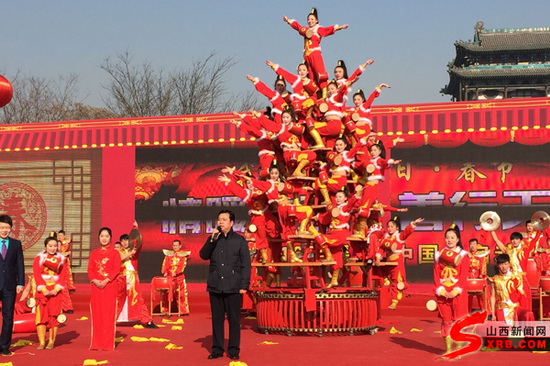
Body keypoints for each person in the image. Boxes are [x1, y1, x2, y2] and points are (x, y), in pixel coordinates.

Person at [199, 210, 251, 360]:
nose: (220, 222)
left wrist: (244, 285)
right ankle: (217, 349)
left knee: (234, 320)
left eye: (224, 219)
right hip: (216, 285)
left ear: (231, 223)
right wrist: (212, 240)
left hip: (233, 286)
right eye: (219, 219)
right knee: (217, 319)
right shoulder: (214, 239)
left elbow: (245, 265)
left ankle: (233, 350)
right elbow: (203, 255)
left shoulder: (239, 241)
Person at [433, 225, 469, 355]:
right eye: (447, 238)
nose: (449, 240)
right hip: (443, 292)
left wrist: (454, 291)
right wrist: (442, 291)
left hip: (458, 292)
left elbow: (464, 276)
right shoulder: (439, 255)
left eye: (452, 238)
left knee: (458, 320)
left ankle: (458, 349)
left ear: (457, 239)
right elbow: (436, 275)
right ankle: (448, 350)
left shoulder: (463, 255)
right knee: (446, 321)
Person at [87, 227, 121, 351]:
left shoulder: (115, 253)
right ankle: (96, 343)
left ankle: (107, 344)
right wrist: (95, 280)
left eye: (106, 236)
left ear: (110, 238)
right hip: (96, 287)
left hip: (109, 286)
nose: (104, 238)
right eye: (102, 236)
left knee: (108, 314)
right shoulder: (94, 253)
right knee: (97, 314)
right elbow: (90, 269)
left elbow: (116, 269)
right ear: (98, 237)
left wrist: (106, 280)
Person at [116, 234, 158, 328]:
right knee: (117, 299)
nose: (124, 242)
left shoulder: (134, 251)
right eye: (122, 241)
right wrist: (129, 254)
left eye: (126, 240)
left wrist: (136, 229)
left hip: (132, 280)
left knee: (138, 299)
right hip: (121, 279)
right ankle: (110, 320)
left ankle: (147, 321)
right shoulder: (118, 252)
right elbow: (119, 259)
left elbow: (138, 242)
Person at [33, 236, 67, 350]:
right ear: (45, 246)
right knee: (41, 316)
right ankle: (42, 341)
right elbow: (36, 274)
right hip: (43, 291)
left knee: (54, 315)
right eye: (50, 246)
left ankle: (51, 341)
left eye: (54, 246)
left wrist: (55, 289)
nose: (52, 248)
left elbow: (63, 275)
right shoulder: (39, 258)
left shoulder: (62, 259)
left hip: (55, 291)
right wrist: (44, 289)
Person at [0, 214, 25, 356]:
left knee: (8, 316)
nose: (4, 230)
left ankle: (4, 345)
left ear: (11, 228)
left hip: (10, 285)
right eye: (2, 227)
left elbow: (19, 264)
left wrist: (20, 282)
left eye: (7, 228)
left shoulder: (16, 244)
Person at [489, 253, 534, 325]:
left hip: (515, 308)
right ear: (497, 265)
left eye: (505, 264)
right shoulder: (495, 279)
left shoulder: (515, 278)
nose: (503, 267)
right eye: (501, 264)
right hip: (501, 309)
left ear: (509, 264)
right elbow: (493, 297)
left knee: (528, 314)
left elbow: (521, 295)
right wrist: (493, 314)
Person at [161, 239, 190, 315]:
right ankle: (165, 310)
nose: (175, 247)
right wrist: (165, 272)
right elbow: (165, 264)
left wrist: (176, 272)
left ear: (180, 246)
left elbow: (182, 265)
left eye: (176, 245)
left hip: (179, 277)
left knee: (181, 294)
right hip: (169, 278)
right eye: (174, 245)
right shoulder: (168, 255)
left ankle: (183, 311)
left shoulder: (183, 255)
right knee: (166, 294)